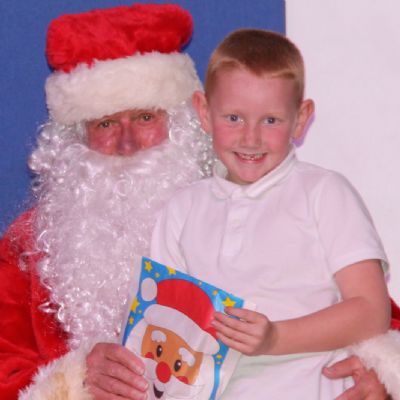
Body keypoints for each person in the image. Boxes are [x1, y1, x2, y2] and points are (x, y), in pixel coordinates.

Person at [0, 3, 397, 400]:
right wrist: (74, 380)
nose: (127, 142)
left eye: (145, 118)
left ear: (185, 121)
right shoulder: (33, 245)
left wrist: (381, 371)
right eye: (105, 123)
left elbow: (373, 312)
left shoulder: (290, 194)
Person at [150, 28, 400, 399]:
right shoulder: (181, 209)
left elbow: (371, 311)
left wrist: (275, 337)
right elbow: (161, 319)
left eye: (270, 120)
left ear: (300, 118)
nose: (250, 138)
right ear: (203, 112)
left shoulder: (324, 192)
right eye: (233, 118)